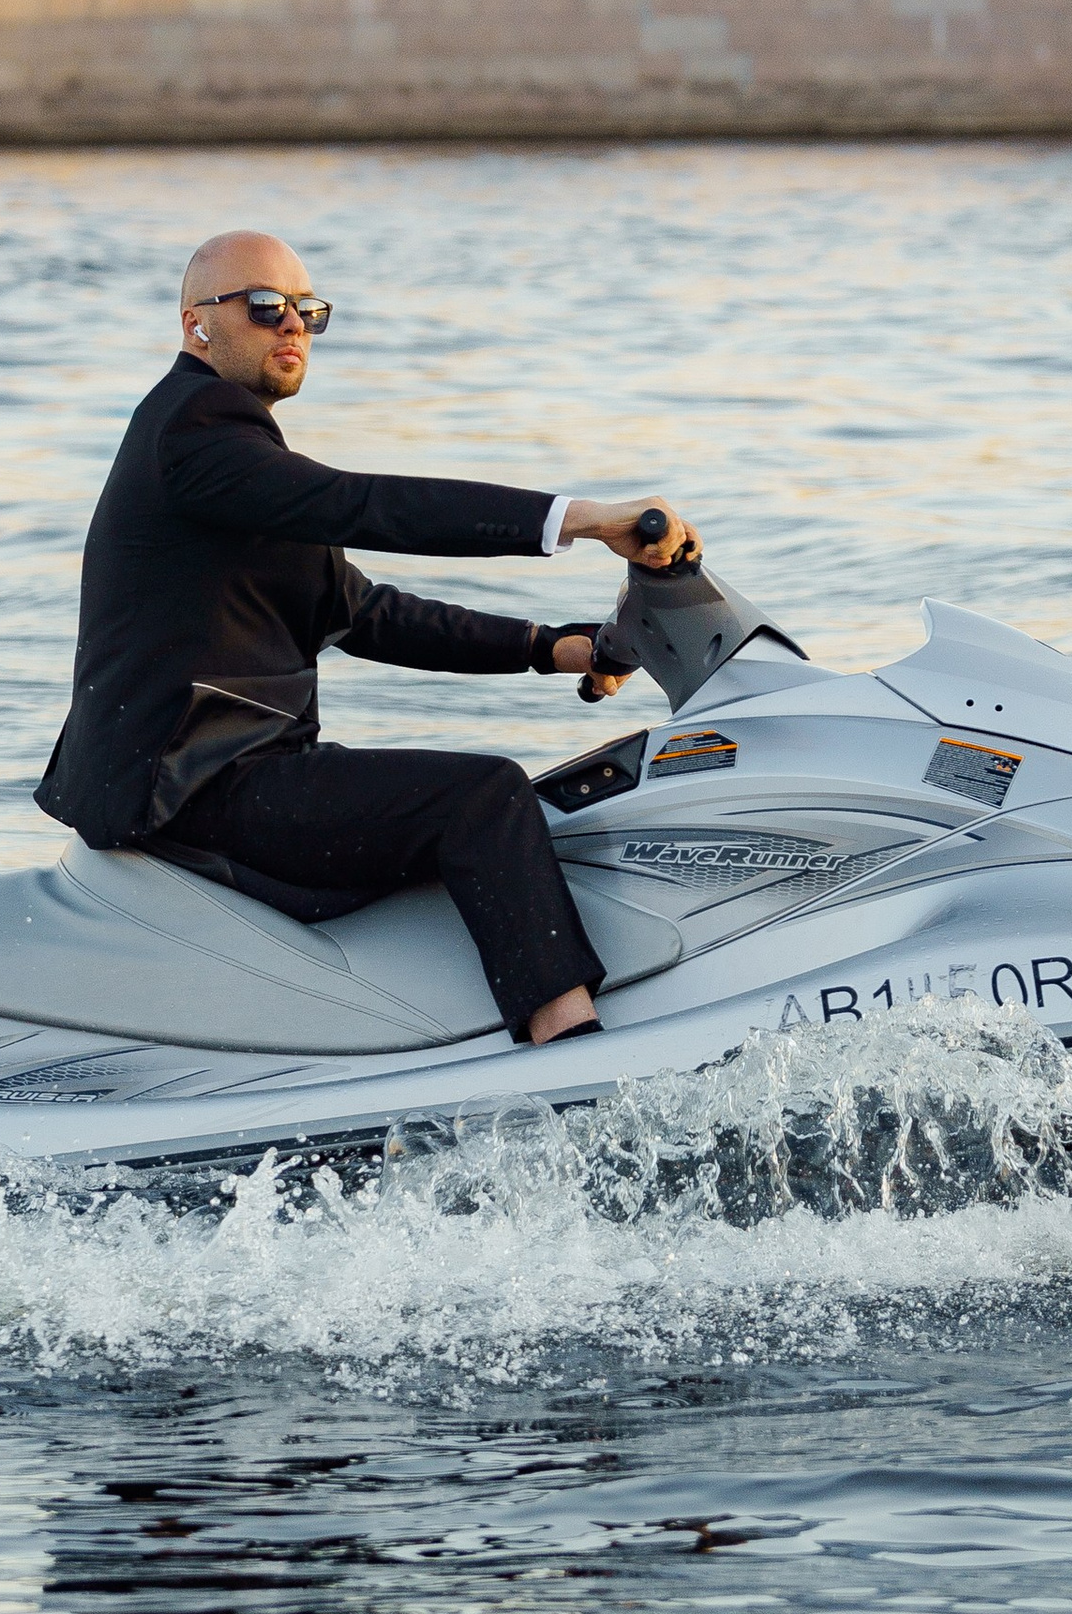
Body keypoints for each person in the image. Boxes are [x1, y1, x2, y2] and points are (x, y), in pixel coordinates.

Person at [35, 228, 701, 1046]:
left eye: (309, 312)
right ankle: (565, 1045)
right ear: (195, 325)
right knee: (484, 797)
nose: (292, 328)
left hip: (204, 777)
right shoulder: (195, 431)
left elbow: (360, 612)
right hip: (194, 788)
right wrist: (581, 518)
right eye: (265, 307)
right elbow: (368, 503)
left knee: (482, 801)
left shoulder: (227, 458)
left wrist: (554, 648)